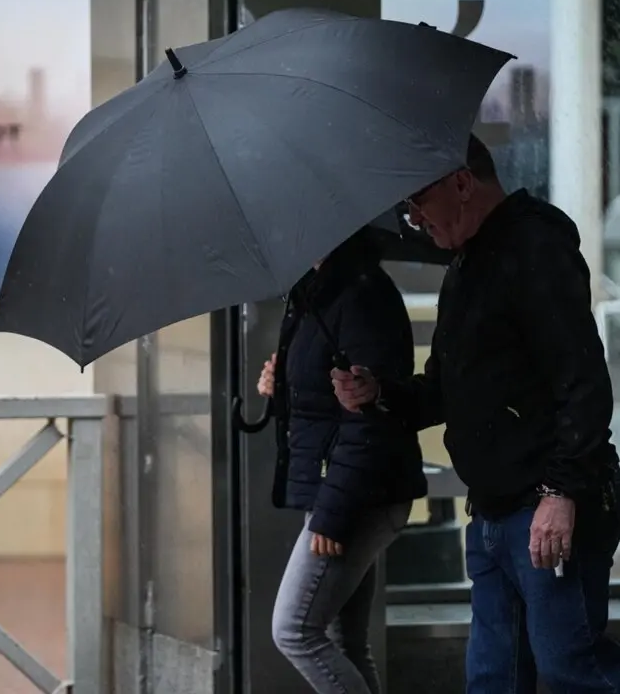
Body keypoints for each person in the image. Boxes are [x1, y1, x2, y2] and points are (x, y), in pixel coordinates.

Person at [332, 135, 620, 693]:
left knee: (573, 673)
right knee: (492, 679)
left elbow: (583, 382)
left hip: (547, 506)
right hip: (492, 512)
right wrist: (378, 394)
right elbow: (444, 390)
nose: (413, 220)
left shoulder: (534, 246)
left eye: (417, 202)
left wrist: (560, 492)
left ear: (462, 183)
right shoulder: (465, 265)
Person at [260, 228, 427, 694]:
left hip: (357, 493)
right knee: (346, 641)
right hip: (348, 486)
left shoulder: (360, 294)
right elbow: (325, 398)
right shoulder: (317, 291)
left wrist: (333, 515)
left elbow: (368, 420)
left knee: (295, 631)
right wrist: (280, 384)